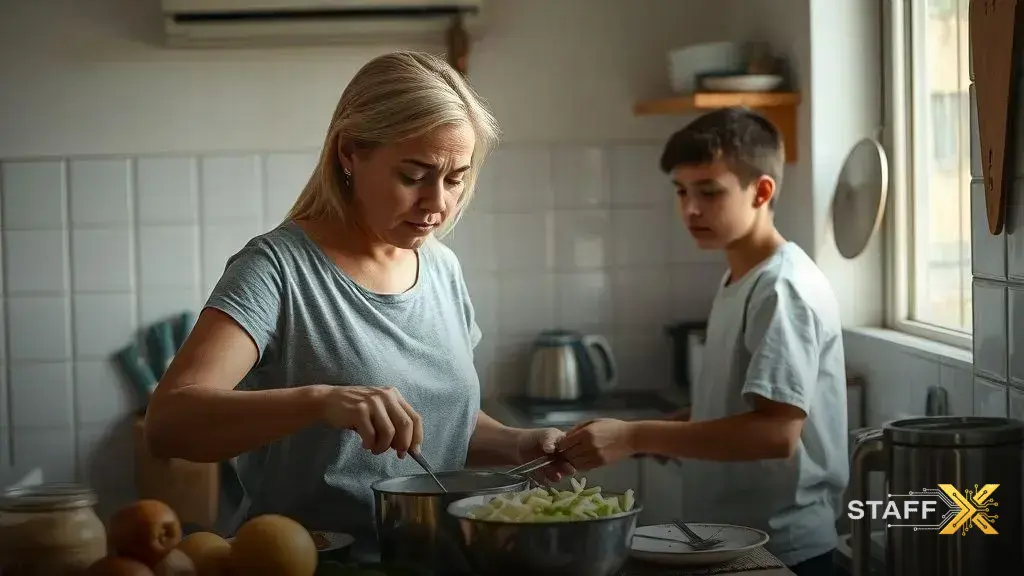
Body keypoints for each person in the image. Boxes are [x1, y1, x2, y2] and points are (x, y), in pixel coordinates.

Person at [143, 51, 571, 559]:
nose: (438, 204)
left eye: (455, 178)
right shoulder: (277, 268)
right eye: (414, 176)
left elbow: (431, 420)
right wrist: (320, 401)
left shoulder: (441, 268)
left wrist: (517, 445)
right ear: (350, 152)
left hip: (436, 559)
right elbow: (169, 424)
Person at [557, 107, 848, 576]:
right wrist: (677, 427)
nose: (690, 209)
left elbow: (777, 434)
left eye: (709, 192)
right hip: (731, 537)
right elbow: (749, 407)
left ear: (762, 191)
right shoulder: (742, 277)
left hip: (783, 546)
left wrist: (635, 436)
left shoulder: (782, 288)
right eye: (681, 191)